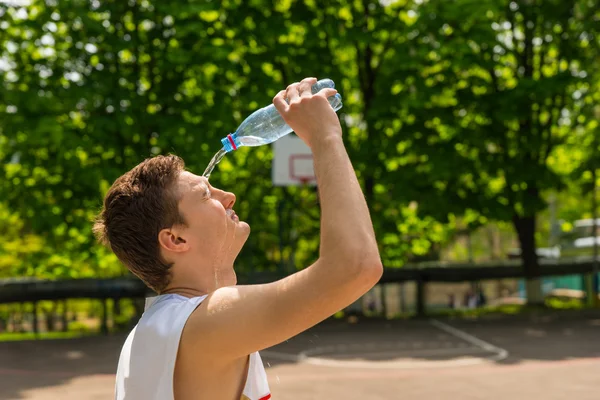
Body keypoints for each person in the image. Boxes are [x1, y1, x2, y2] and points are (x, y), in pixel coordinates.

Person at [94, 77, 383, 400]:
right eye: (206, 195)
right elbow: (355, 266)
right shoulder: (201, 324)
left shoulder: (159, 330)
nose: (229, 196)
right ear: (175, 239)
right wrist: (325, 137)